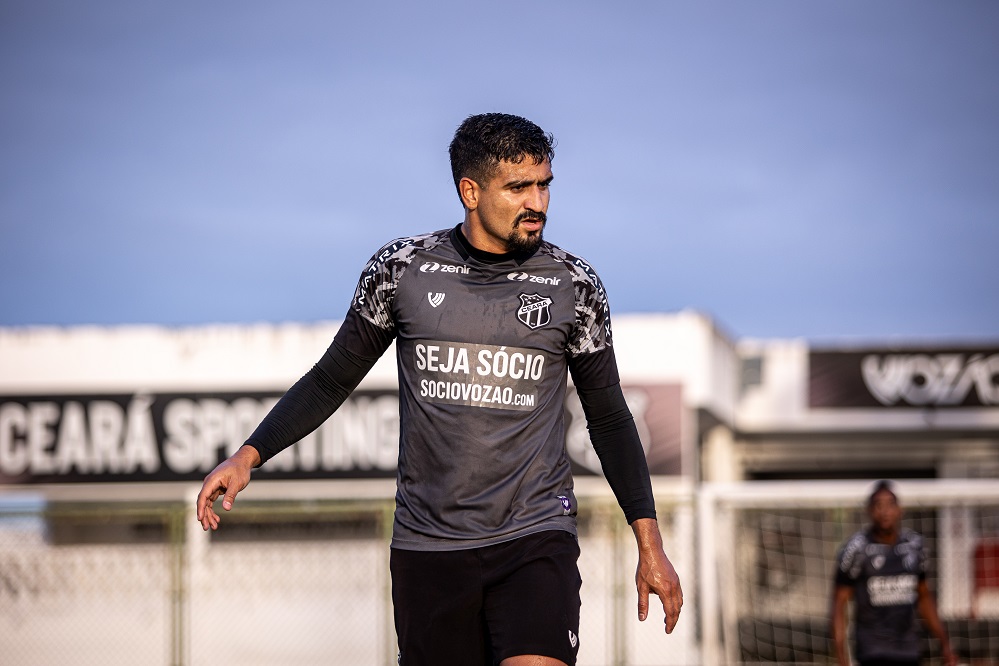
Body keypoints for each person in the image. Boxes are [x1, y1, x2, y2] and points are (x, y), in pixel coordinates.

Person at [196, 112, 683, 666]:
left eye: (544, 184)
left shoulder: (574, 285)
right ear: (469, 191)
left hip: (534, 536)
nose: (538, 203)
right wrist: (248, 455)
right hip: (428, 548)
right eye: (519, 187)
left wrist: (650, 543)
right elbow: (332, 378)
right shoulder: (401, 270)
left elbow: (610, 417)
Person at [831, 480, 957, 666]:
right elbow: (838, 604)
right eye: (878, 505)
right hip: (872, 651)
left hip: (909, 650)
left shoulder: (915, 546)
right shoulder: (856, 549)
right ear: (869, 510)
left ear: (900, 509)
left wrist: (945, 644)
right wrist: (842, 658)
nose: (884, 511)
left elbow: (924, 596)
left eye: (890, 504)